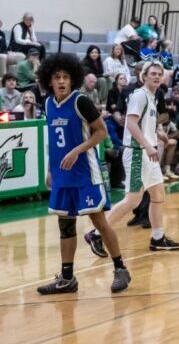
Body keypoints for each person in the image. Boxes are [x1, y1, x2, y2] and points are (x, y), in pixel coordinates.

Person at [34, 53, 130, 295]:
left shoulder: (80, 102)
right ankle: (67, 278)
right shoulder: (47, 104)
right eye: (57, 77)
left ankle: (120, 268)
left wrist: (77, 151)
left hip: (86, 173)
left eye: (66, 76)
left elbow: (101, 133)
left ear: (73, 79)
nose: (62, 81)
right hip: (62, 175)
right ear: (50, 81)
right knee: (65, 225)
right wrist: (49, 170)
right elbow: (54, 143)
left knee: (98, 221)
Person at [85, 61, 179, 255]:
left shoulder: (152, 97)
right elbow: (130, 123)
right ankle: (96, 233)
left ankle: (158, 237)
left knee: (158, 195)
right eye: (153, 73)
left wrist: (157, 133)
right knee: (133, 200)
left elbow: (144, 123)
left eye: (159, 73)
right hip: (138, 152)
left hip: (147, 152)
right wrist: (147, 144)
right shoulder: (139, 95)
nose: (156, 76)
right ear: (144, 76)